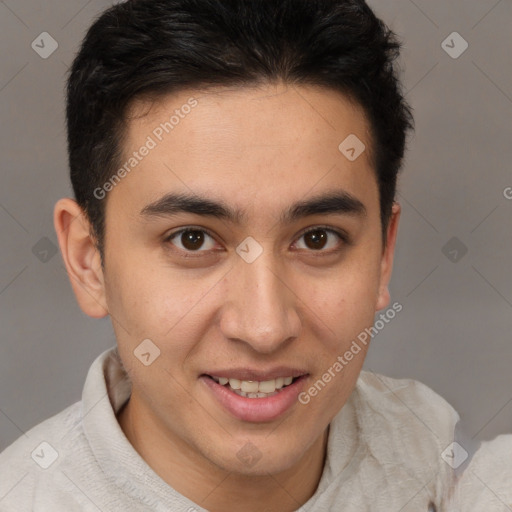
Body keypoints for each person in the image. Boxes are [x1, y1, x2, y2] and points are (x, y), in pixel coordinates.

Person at [0, 0, 463, 510]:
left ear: (382, 254)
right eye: (193, 240)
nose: (264, 328)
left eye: (317, 239)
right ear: (90, 262)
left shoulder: (439, 461)